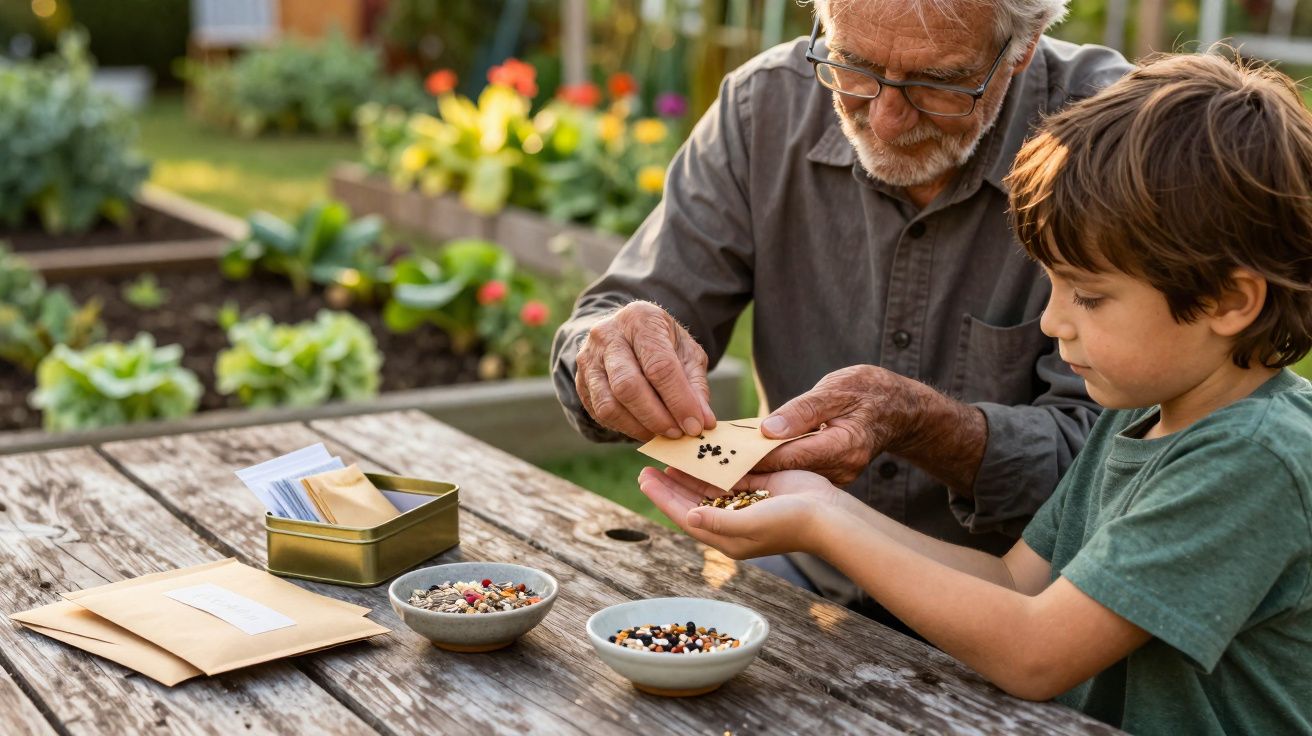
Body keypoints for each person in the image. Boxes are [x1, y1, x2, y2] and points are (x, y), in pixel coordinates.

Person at [639, 52, 1312, 733]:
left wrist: (821, 526)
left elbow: (1035, 653)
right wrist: (823, 502)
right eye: (1051, 285)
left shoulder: (1251, 460)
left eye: (1091, 296)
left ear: (1229, 301)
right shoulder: (1147, 410)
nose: (1053, 322)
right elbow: (1016, 583)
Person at [551, 0, 1131, 617]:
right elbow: (615, 315)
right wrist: (613, 349)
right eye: (851, 66)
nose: (885, 120)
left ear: (1025, 44)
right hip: (794, 571)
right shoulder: (764, 107)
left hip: (1013, 607)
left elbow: (1122, 468)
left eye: (936, 83)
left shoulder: (1119, 142)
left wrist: (924, 425)